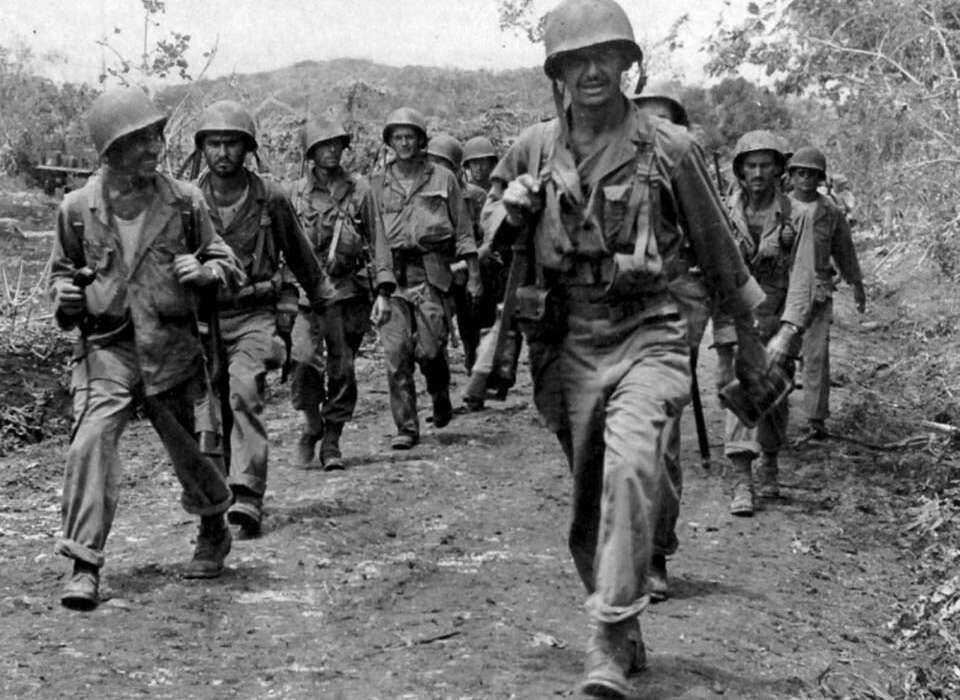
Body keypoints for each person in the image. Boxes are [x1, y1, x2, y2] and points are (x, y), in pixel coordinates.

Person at [480, 1, 769, 695]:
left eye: (604, 58)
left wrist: (748, 346)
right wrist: (508, 210)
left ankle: (607, 632)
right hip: (567, 337)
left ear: (626, 65)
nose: (592, 72)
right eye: (576, 61)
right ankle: (625, 619)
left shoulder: (667, 146)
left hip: (652, 329)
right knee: (588, 502)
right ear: (558, 72)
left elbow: (720, 256)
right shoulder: (532, 147)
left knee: (634, 468)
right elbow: (486, 236)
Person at [49, 86, 245, 610]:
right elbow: (61, 280)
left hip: (170, 343)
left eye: (156, 137)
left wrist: (207, 269)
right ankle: (83, 561)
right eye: (139, 141)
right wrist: (66, 298)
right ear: (110, 151)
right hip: (108, 348)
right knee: (91, 439)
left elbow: (227, 262)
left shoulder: (185, 202)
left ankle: (213, 524)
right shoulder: (75, 210)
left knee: (189, 448)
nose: (154, 149)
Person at [191, 100, 332, 536]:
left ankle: (249, 495)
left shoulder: (270, 197)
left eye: (232, 143)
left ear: (247, 148)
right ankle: (220, 496)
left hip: (255, 312)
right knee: (210, 411)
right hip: (205, 317)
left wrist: (324, 306)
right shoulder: (187, 200)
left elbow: (303, 259)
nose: (222, 153)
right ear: (203, 148)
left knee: (244, 388)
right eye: (214, 143)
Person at [631, 84, 710, 602]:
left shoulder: (686, 167)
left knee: (660, 439)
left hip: (672, 305)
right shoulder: (599, 163)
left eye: (666, 120)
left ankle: (655, 553)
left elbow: (715, 251)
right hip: (609, 311)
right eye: (646, 119)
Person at [369, 108, 482, 450]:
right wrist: (382, 289)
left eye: (410, 137)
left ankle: (438, 391)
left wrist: (473, 274)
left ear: (421, 141)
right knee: (396, 353)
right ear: (389, 142)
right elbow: (377, 241)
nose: (404, 143)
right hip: (393, 278)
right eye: (397, 137)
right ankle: (406, 426)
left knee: (431, 351)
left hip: (433, 274)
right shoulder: (376, 185)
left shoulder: (443, 179)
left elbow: (463, 231)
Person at [713, 129, 799, 516]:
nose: (759, 173)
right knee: (738, 392)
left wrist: (789, 329)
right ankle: (742, 480)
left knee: (775, 397)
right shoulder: (720, 212)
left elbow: (804, 276)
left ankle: (771, 460)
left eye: (766, 165)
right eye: (751, 165)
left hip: (777, 318)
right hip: (736, 317)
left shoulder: (797, 215)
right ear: (740, 170)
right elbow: (712, 272)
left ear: (779, 169)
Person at [288, 118, 376, 469]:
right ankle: (312, 423)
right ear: (311, 152)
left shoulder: (360, 190)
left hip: (346, 292)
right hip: (307, 294)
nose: (331, 150)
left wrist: (383, 287)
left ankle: (332, 441)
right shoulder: (294, 194)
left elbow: (378, 242)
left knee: (343, 367)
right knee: (303, 359)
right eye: (323, 145)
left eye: (337, 144)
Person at [785, 146, 865, 440]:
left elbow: (845, 251)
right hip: (783, 288)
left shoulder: (830, 211)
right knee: (780, 354)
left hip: (818, 289)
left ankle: (816, 420)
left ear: (820, 178)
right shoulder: (779, 206)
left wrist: (857, 285)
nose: (806, 179)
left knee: (816, 355)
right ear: (791, 175)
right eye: (800, 173)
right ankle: (773, 419)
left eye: (812, 174)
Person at [426, 133, 484, 371]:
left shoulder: (475, 196)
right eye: (432, 161)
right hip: (439, 269)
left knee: (471, 323)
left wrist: (469, 267)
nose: (436, 169)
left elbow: (485, 237)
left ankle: (474, 360)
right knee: (435, 324)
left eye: (443, 163)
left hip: (471, 266)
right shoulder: (425, 194)